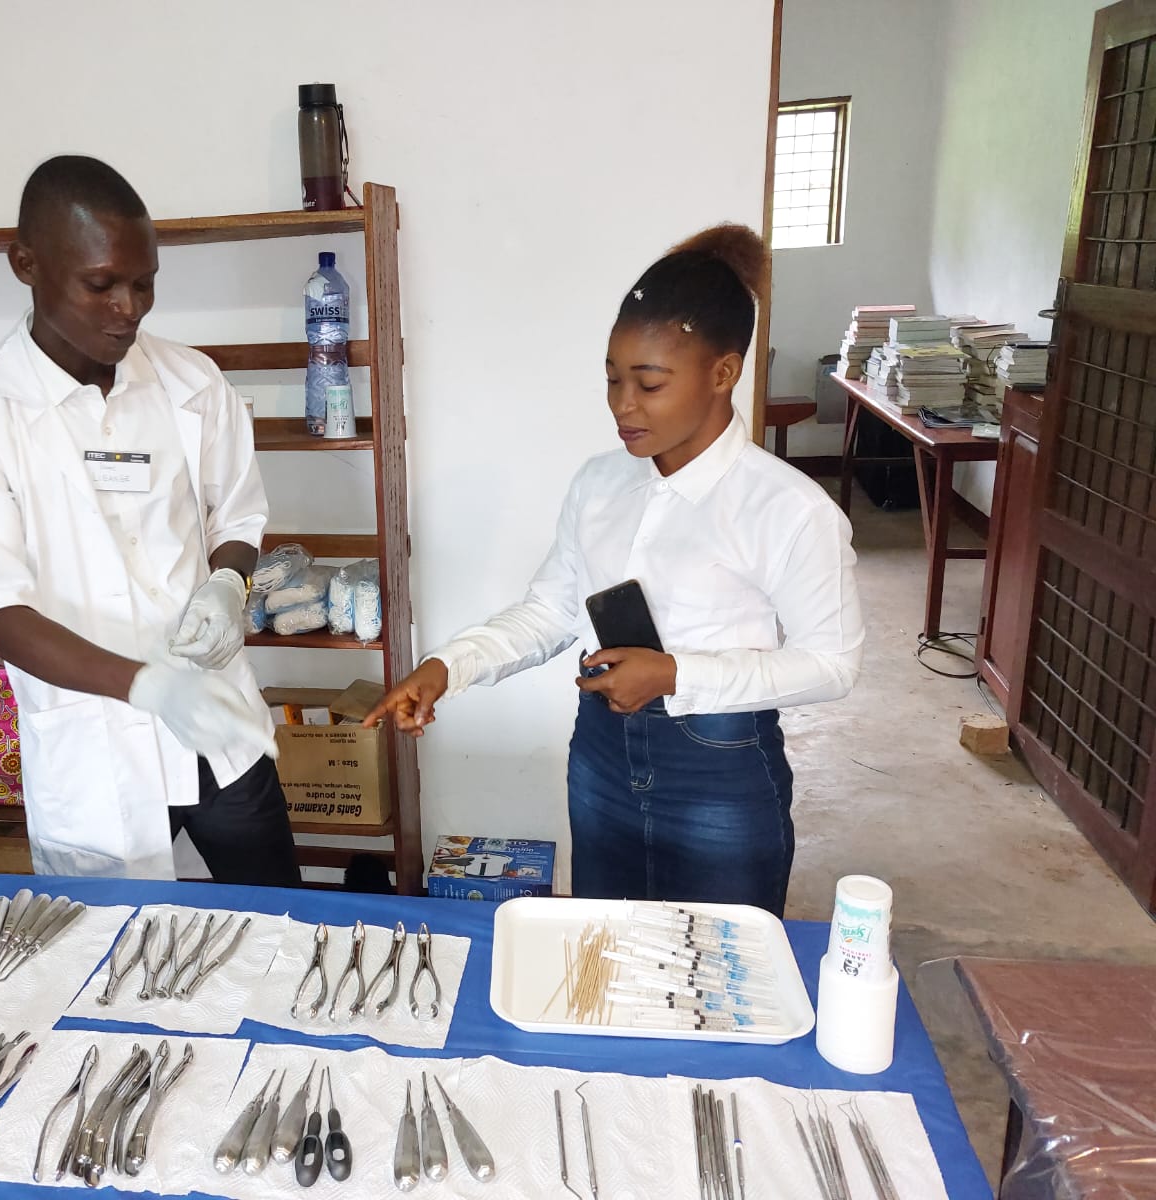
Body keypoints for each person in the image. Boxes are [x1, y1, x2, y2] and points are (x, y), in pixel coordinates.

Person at [365, 224, 863, 915]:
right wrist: (448, 666)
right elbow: (550, 611)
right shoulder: (600, 484)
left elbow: (832, 665)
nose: (623, 404)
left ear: (723, 374)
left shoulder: (788, 509)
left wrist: (675, 674)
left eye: (649, 383)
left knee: (718, 962)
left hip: (718, 772)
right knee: (604, 951)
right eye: (612, 378)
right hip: (601, 759)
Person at [0, 155, 299, 886]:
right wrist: (147, 687)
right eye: (100, 285)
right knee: (109, 941)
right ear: (26, 265)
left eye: (144, 282)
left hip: (217, 726)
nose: (129, 307)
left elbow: (237, 511)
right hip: (94, 747)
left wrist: (227, 582)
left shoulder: (192, 382)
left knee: (278, 918)